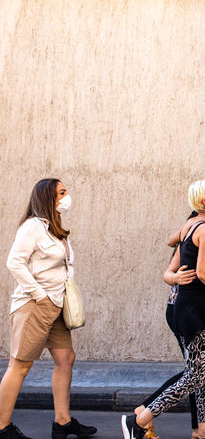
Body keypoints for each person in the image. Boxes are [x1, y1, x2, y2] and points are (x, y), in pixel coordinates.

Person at [121, 179, 205, 439]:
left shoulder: (190, 226)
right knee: (197, 373)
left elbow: (183, 261)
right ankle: (140, 420)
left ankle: (203, 431)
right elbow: (202, 272)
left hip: (195, 309)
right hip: (194, 311)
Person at [1, 178, 97, 439]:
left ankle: (62, 422)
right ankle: (2, 427)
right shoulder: (32, 227)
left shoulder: (53, 229)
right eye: (62, 193)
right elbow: (14, 262)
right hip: (35, 305)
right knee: (19, 365)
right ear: (47, 198)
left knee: (66, 359)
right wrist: (39, 294)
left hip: (56, 305)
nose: (67, 197)